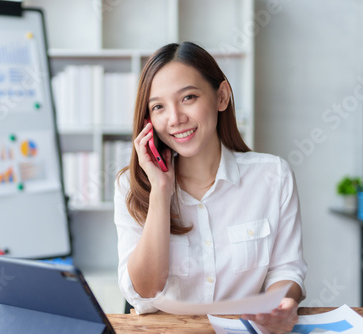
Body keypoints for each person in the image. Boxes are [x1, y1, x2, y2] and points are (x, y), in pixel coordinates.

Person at [114, 42, 307, 333]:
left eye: (188, 97)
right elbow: (145, 290)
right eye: (158, 107)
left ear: (221, 96)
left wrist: (280, 304)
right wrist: (161, 191)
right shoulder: (132, 186)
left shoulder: (273, 175)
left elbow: (286, 269)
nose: (175, 118)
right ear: (148, 121)